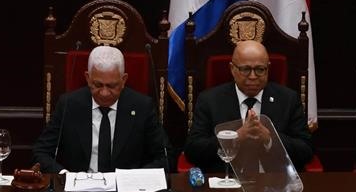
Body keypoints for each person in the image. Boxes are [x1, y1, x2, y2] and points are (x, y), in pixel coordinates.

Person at [32, 45, 167, 173]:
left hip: (126, 187)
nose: (104, 93)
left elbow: (165, 157)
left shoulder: (142, 107)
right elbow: (41, 152)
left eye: (111, 86)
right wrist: (64, 175)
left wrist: (134, 178)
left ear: (123, 80)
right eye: (98, 85)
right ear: (88, 78)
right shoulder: (68, 104)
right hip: (78, 185)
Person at [184, 40, 313, 172]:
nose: (253, 76)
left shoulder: (288, 99)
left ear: (268, 68)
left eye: (260, 69)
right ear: (232, 69)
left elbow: (306, 150)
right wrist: (235, 138)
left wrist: (270, 138)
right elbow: (193, 150)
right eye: (245, 69)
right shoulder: (209, 100)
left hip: (274, 179)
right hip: (227, 179)